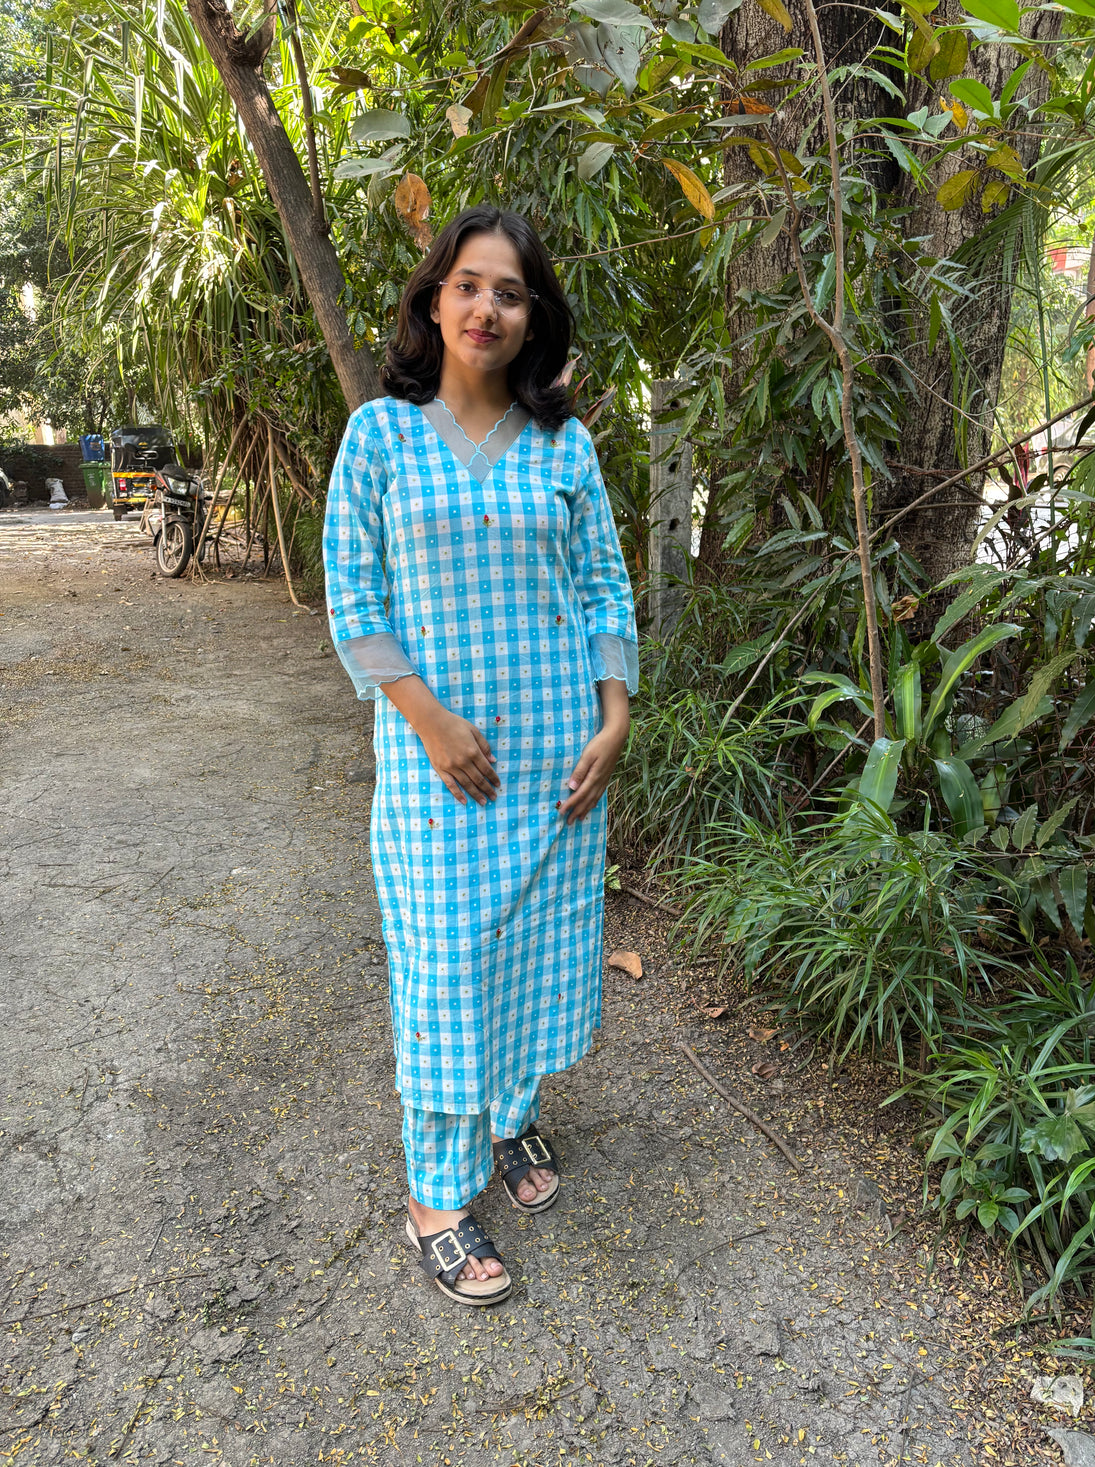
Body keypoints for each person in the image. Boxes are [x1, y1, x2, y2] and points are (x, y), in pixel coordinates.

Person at [324, 205, 638, 1308]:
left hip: (555, 766)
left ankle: (510, 1119)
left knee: (531, 952)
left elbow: (603, 588)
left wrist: (614, 717)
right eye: (467, 285)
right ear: (432, 299)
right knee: (445, 966)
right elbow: (354, 598)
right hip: (439, 770)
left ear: (533, 317)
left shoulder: (564, 446)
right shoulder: (381, 437)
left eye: (509, 292)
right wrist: (428, 720)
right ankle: (435, 1199)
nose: (486, 307)